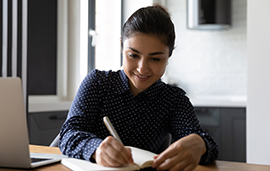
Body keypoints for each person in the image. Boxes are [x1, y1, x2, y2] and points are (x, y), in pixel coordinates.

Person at [59, 4, 218, 171]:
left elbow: (209, 146)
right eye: (133, 55)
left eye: (155, 59)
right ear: (122, 47)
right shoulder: (98, 83)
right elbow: (68, 134)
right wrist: (96, 149)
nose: (142, 68)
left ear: (168, 57)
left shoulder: (173, 100)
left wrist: (200, 144)